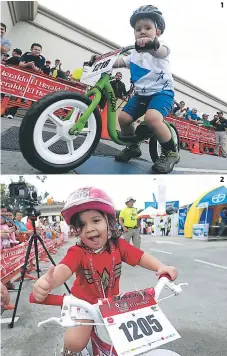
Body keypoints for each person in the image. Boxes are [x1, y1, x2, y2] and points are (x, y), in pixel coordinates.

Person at [32, 186, 178, 353]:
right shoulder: (77, 252)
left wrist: (161, 267)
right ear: (76, 230)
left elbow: (140, 257)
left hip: (112, 304)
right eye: (81, 225)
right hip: (84, 305)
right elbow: (63, 269)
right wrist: (47, 282)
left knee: (129, 340)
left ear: (108, 221)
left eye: (96, 220)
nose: (89, 228)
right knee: (75, 343)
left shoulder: (119, 246)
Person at [108, 5, 180, 173]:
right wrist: (102, 60)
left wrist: (152, 45)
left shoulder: (161, 46)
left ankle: (170, 152)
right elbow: (119, 62)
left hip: (162, 93)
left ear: (158, 31)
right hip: (141, 95)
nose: (142, 31)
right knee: (124, 118)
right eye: (138, 29)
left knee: (152, 119)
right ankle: (133, 147)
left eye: (148, 28)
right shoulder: (133, 54)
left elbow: (160, 52)